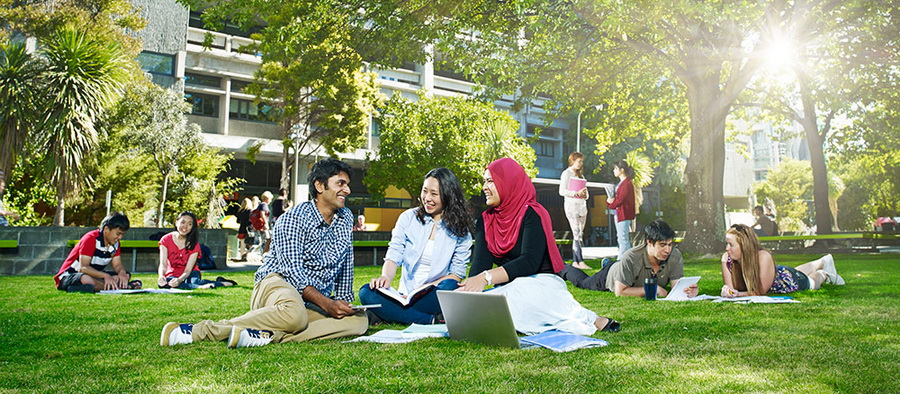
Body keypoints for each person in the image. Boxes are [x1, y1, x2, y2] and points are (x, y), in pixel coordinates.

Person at [160, 158, 367, 348]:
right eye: (340, 183)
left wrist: (344, 304)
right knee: (295, 315)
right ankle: (200, 331)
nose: (347, 190)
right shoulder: (293, 219)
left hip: (310, 300)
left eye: (347, 184)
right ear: (320, 186)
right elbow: (293, 273)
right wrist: (327, 304)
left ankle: (265, 336)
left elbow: (345, 264)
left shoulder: (345, 217)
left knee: (358, 322)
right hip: (277, 284)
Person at [458, 158, 620, 335]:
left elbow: (529, 262)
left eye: (490, 181)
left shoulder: (533, 213)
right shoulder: (485, 220)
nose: (484, 187)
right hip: (508, 289)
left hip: (541, 285)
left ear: (508, 182)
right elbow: (480, 265)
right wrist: (468, 291)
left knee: (516, 293)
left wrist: (486, 278)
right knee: (482, 303)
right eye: (484, 181)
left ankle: (590, 318)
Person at [359, 168, 473, 324]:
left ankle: (388, 313)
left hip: (433, 292)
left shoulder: (461, 230)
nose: (427, 198)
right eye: (424, 191)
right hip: (404, 294)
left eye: (434, 194)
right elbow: (394, 253)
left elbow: (457, 274)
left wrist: (425, 288)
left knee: (451, 286)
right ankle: (430, 320)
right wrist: (385, 277)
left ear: (448, 196)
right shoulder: (408, 218)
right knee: (366, 292)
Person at [560, 218, 698, 298]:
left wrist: (688, 291)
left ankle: (609, 263)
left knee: (623, 265)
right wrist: (652, 290)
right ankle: (564, 267)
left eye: (670, 244)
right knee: (583, 282)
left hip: (624, 267)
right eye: (662, 245)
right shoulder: (632, 257)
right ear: (649, 242)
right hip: (610, 275)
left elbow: (675, 290)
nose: (667, 250)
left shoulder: (674, 255)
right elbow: (620, 292)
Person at [720, 224, 845, 298]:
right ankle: (822, 261)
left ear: (744, 245)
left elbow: (759, 291)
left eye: (731, 245)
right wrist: (727, 291)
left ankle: (825, 274)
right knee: (797, 271)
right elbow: (730, 289)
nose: (727, 249)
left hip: (787, 280)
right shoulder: (727, 259)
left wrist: (738, 295)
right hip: (778, 273)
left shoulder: (763, 257)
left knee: (812, 281)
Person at [54, 212, 140, 293]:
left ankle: (94, 287)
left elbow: (117, 265)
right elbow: (83, 268)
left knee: (126, 275)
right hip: (71, 275)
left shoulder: (115, 244)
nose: (120, 237)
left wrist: (122, 274)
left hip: (94, 275)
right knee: (86, 279)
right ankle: (123, 287)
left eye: (122, 234)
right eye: (118, 234)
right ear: (106, 229)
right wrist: (106, 276)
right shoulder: (91, 239)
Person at [157, 211, 237, 289]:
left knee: (193, 282)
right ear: (176, 222)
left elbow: (188, 270)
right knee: (168, 283)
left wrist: (180, 280)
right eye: (183, 222)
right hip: (173, 273)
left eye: (190, 224)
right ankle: (202, 286)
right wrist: (161, 276)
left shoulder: (194, 244)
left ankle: (219, 283)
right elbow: (163, 264)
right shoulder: (165, 240)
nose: (185, 226)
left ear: (192, 227)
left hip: (191, 273)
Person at [559, 152, 590, 270]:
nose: (580, 163)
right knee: (576, 233)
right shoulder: (566, 174)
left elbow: (586, 193)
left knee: (579, 234)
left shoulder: (581, 175)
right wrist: (575, 193)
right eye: (578, 161)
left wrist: (585, 194)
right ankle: (579, 260)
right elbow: (562, 191)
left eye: (581, 161)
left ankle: (575, 261)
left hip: (582, 207)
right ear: (572, 161)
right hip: (572, 207)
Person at [606, 159, 636, 260]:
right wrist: (610, 202)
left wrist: (611, 204)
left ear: (622, 170)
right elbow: (617, 199)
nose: (614, 171)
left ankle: (621, 260)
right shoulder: (622, 183)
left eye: (615, 168)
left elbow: (620, 200)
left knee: (622, 238)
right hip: (619, 213)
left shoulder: (626, 183)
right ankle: (629, 259)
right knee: (622, 238)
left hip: (623, 214)